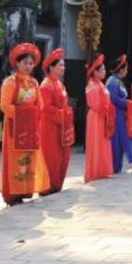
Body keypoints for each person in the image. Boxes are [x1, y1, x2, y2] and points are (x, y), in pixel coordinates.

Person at [0, 43, 51, 205]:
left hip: (30, 127)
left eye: (30, 63)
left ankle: (25, 190)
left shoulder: (34, 83)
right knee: (14, 160)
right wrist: (24, 113)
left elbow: (40, 104)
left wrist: (31, 113)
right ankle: (12, 194)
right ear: (17, 64)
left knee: (29, 158)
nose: (28, 66)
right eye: (24, 63)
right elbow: (5, 105)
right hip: (14, 128)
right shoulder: (10, 82)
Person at [38, 48, 74, 194]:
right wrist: (63, 114)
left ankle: (57, 183)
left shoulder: (59, 84)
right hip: (50, 125)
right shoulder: (45, 85)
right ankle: (48, 185)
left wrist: (67, 112)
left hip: (61, 125)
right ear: (51, 67)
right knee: (51, 154)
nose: (63, 68)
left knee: (61, 154)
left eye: (64, 65)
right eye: (60, 65)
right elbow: (45, 107)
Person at [106, 54, 132, 172]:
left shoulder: (118, 81)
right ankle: (115, 165)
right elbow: (113, 99)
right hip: (116, 113)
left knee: (123, 137)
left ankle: (121, 164)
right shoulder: (112, 82)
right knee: (117, 139)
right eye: (125, 69)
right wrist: (127, 103)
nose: (126, 71)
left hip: (121, 113)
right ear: (120, 70)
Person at [83, 53, 114, 183]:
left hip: (102, 115)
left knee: (102, 141)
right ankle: (95, 171)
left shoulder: (100, 84)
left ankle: (102, 169)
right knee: (96, 142)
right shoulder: (92, 86)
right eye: (101, 70)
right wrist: (106, 111)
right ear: (94, 72)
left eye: (104, 69)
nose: (104, 72)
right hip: (96, 116)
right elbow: (96, 104)